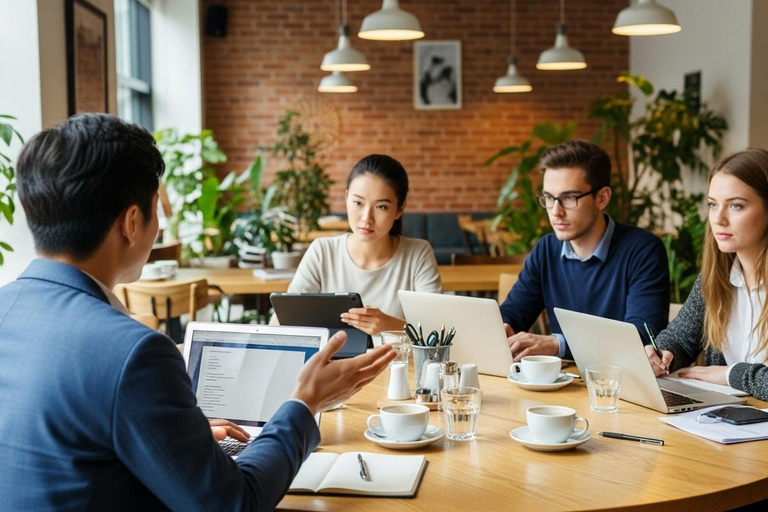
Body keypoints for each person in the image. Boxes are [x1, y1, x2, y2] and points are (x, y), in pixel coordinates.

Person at [0, 114, 395, 510]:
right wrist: (305, 403)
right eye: (158, 209)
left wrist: (169, 435)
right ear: (132, 222)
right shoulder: (134, 353)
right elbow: (234, 504)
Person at [499, 140, 670, 360]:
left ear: (602, 198)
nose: (556, 212)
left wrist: (558, 344)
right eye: (549, 198)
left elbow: (641, 337)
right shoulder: (547, 249)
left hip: (618, 386)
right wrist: (503, 327)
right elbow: (513, 313)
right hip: (560, 385)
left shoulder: (643, 251)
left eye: (569, 198)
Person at [647, 149, 768, 400]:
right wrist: (663, 354)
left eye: (736, 205)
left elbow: (731, 376)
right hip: (730, 422)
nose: (718, 219)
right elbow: (680, 338)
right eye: (713, 204)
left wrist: (731, 375)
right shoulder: (716, 277)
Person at [287, 154, 443, 335]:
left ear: (400, 208)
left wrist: (389, 325)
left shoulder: (418, 254)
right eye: (358, 203)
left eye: (381, 207)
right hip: (334, 361)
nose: (366, 218)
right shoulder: (322, 251)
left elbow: (436, 332)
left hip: (397, 362)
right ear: (346, 198)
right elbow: (287, 317)